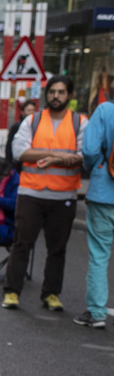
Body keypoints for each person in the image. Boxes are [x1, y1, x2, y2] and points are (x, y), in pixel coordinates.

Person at [2, 75, 88, 312]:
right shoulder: (33, 120)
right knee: (22, 243)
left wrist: (49, 156)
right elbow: (20, 152)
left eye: (61, 92)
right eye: (52, 92)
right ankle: (11, 292)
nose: (56, 96)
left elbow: (84, 155)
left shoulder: (81, 122)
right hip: (31, 193)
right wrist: (62, 156)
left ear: (69, 96)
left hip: (64, 196)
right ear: (46, 94)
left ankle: (51, 294)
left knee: (57, 249)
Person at [76, 98, 114, 327]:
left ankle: (96, 312)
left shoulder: (106, 110)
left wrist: (97, 166)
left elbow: (89, 150)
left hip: (105, 192)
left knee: (100, 254)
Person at [5, 99, 39, 167]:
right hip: (18, 165)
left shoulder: (38, 126)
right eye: (29, 110)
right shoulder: (17, 126)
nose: (31, 113)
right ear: (22, 112)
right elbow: (9, 147)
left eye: (33, 110)